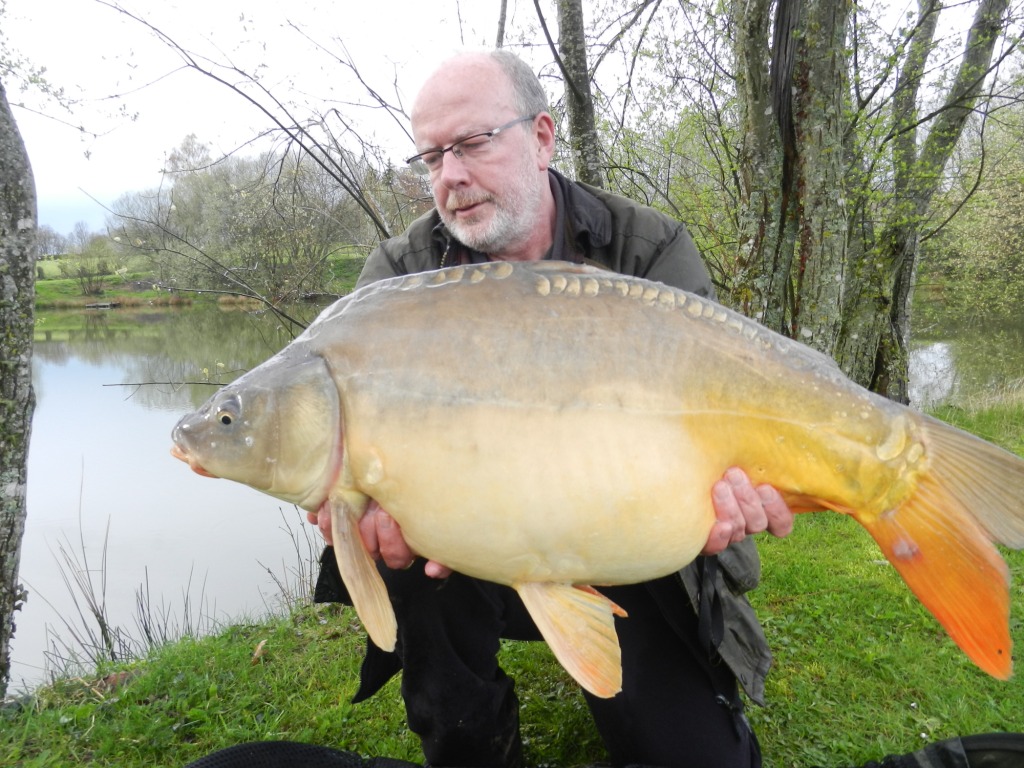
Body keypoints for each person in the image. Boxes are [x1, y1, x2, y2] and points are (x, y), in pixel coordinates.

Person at [309, 49, 795, 768]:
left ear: (541, 137)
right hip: (465, 554)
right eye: (432, 157)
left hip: (631, 543)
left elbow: (725, 408)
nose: (450, 176)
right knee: (408, 545)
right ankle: (473, 742)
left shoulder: (647, 248)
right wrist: (352, 508)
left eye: (473, 143)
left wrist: (740, 487)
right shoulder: (399, 278)